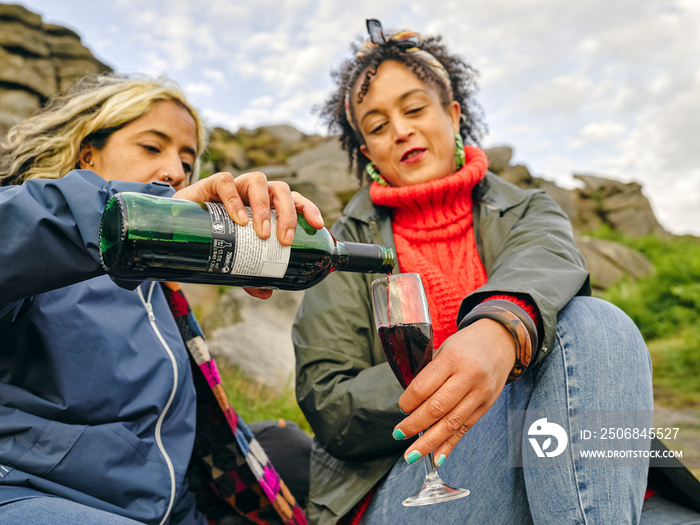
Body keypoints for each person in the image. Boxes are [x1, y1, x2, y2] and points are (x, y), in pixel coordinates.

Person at [292, 20, 667, 524]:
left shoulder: (530, 209)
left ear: (452, 114)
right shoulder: (341, 245)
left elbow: (548, 266)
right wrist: (458, 374)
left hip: (544, 454)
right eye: (377, 126)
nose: (401, 130)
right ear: (367, 152)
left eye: (415, 108)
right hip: (407, 477)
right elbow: (330, 404)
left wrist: (498, 334)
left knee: (599, 325)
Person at [0, 74, 321, 524]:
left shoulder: (165, 295)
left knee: (290, 449)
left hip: (165, 512)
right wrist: (120, 211)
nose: (175, 171)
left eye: (187, 160)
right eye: (153, 147)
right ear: (87, 155)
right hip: (30, 498)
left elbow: (166, 455)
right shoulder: (31, 254)